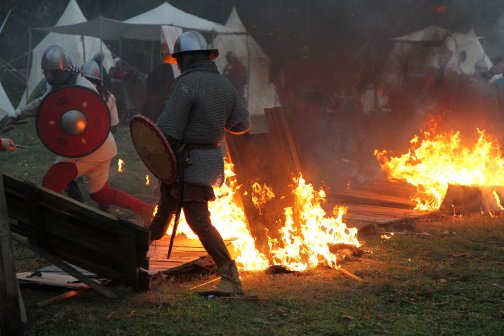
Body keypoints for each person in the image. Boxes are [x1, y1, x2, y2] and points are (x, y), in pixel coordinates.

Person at [150, 31, 250, 296]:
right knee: (164, 213)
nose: (180, 65)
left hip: (188, 164)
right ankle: (137, 257)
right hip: (208, 160)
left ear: (187, 59)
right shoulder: (225, 85)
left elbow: (166, 131)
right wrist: (213, 122)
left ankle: (230, 277)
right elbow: (241, 124)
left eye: (180, 60)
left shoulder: (187, 85)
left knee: (198, 221)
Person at [1, 45, 151, 221]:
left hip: (89, 146)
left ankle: (61, 224)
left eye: (49, 72)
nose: (46, 76)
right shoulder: (60, 85)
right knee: (100, 194)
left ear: (61, 72)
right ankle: (145, 209)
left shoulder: (83, 87)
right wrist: (16, 115)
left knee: (50, 183)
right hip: (101, 146)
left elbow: (89, 121)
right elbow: (44, 102)